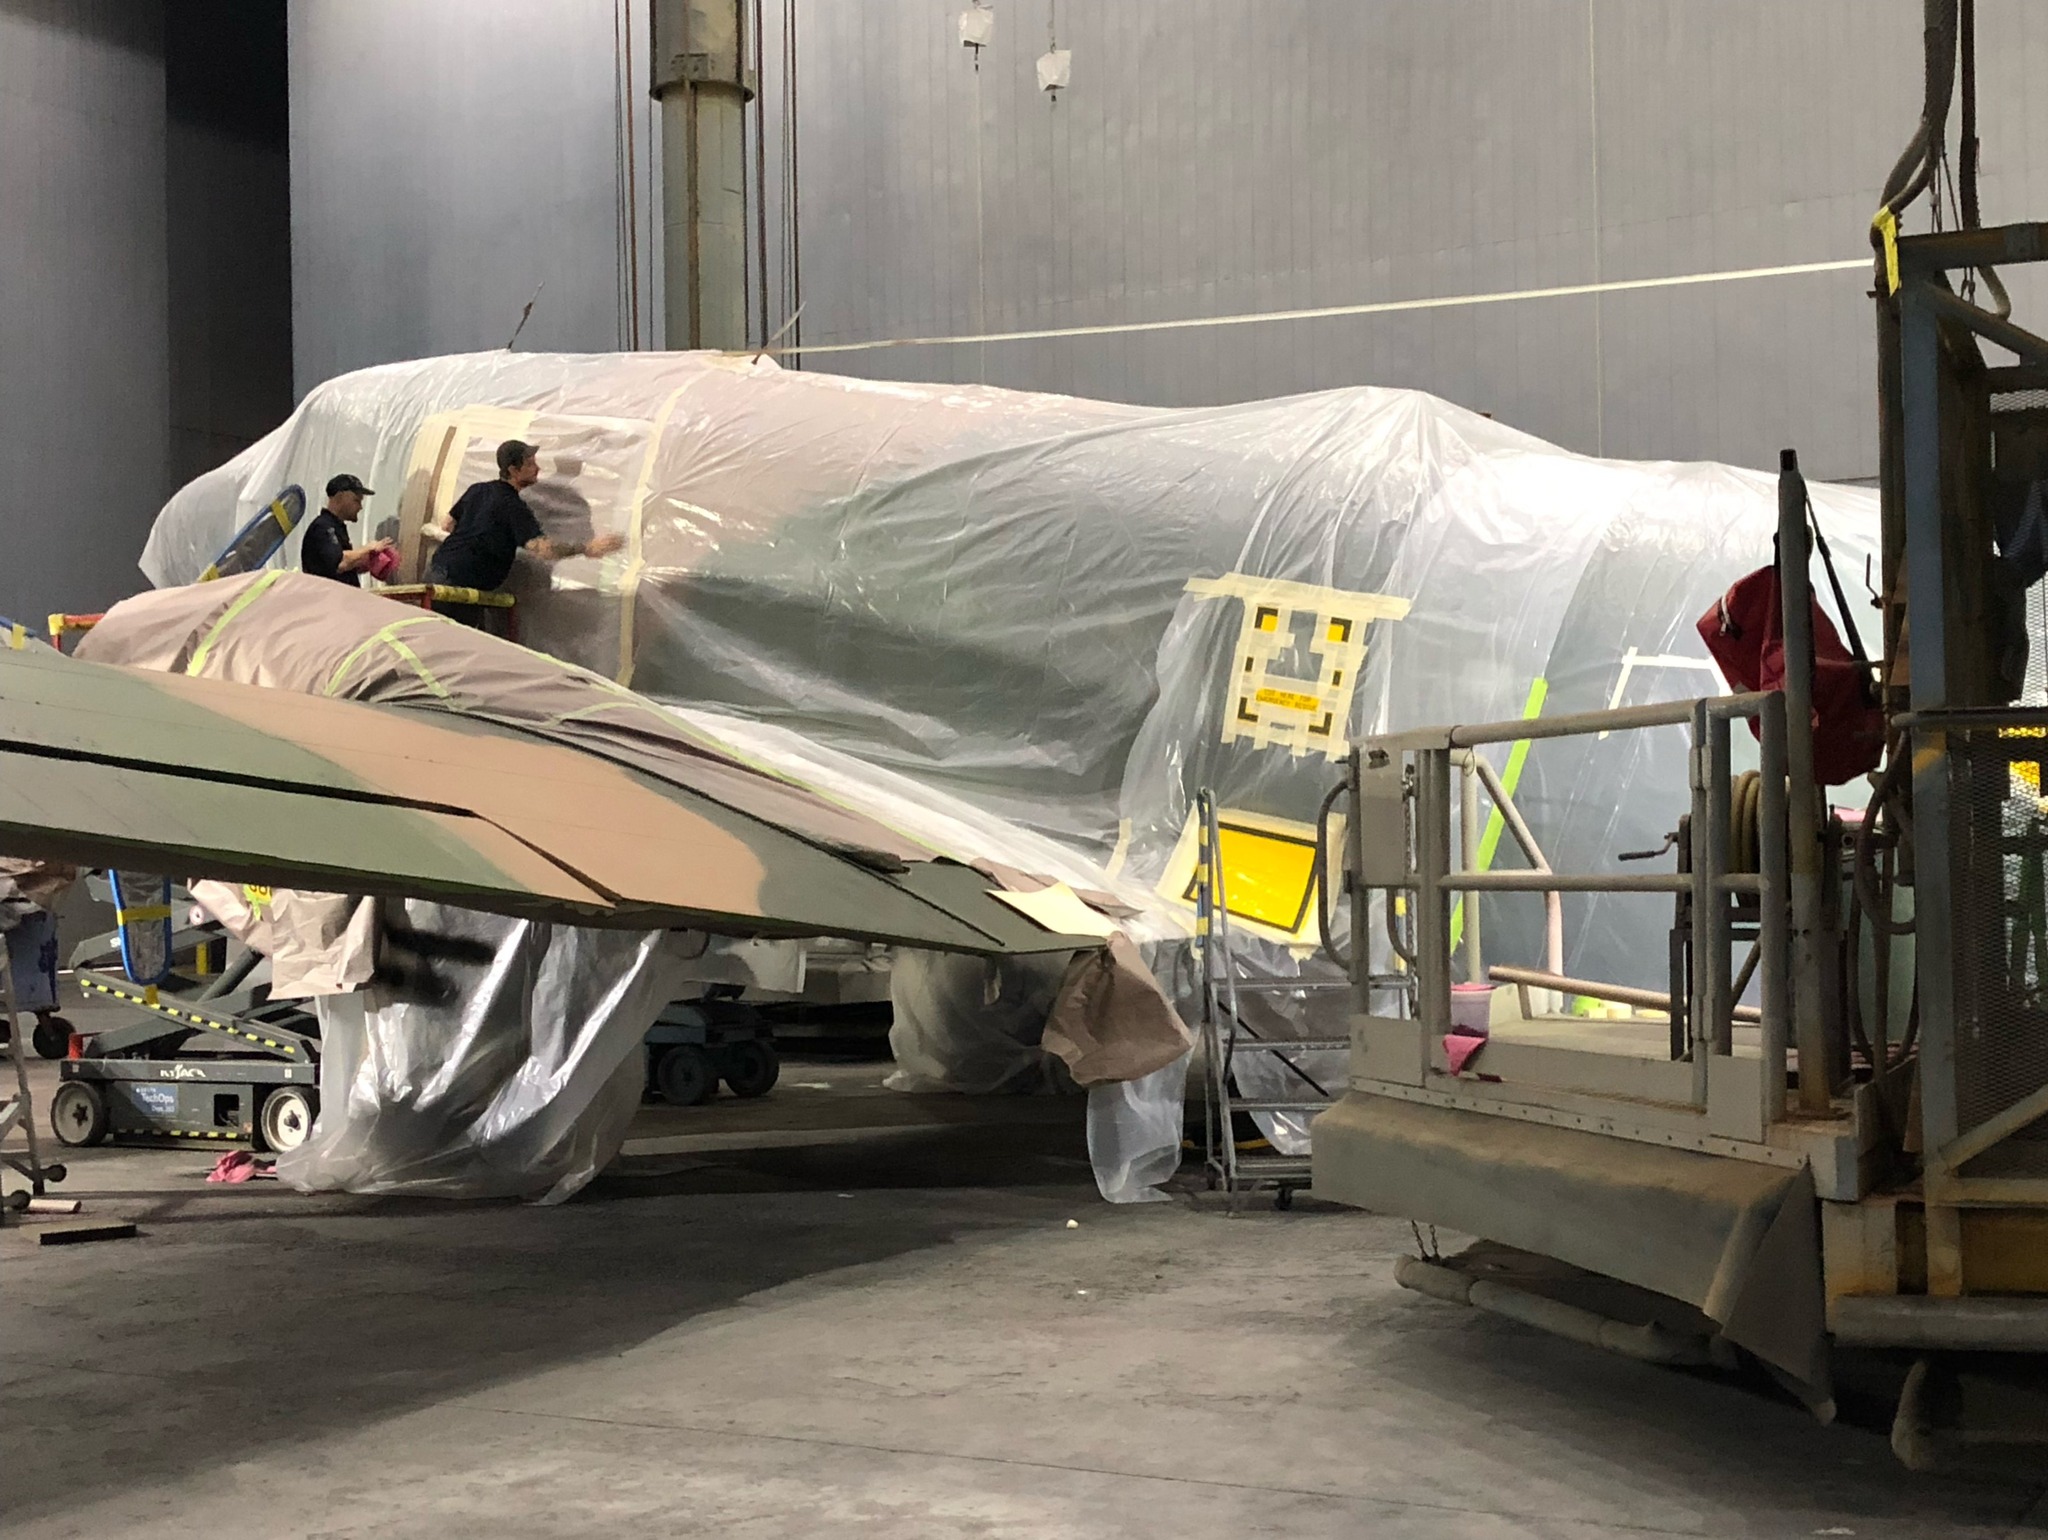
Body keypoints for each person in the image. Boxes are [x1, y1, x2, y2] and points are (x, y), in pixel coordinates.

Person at [426, 441, 624, 621]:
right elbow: (542, 549)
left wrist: (479, 540)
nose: (537, 468)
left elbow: (448, 524)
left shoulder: (478, 489)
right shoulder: (513, 505)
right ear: (513, 470)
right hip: (459, 586)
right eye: (530, 464)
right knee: (455, 638)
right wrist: (587, 548)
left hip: (438, 570)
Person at [301, 474, 393, 587]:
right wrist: (369, 549)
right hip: (329, 597)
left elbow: (337, 567)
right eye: (356, 500)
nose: (360, 507)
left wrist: (368, 561)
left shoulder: (336, 527)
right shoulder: (323, 527)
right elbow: (339, 562)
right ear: (339, 497)